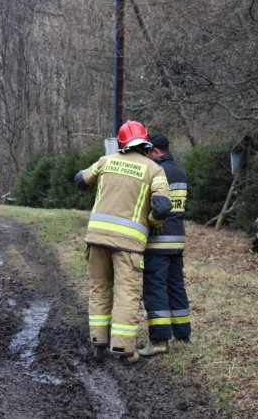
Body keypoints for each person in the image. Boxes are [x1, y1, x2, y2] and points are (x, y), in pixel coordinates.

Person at [75, 120, 172, 366]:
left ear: (121, 143)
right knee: (126, 294)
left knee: (100, 289)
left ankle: (98, 343)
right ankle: (123, 349)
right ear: (145, 142)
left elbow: (79, 180)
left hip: (96, 239)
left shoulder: (105, 161)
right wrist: (149, 220)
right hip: (128, 244)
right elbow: (162, 207)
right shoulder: (154, 169)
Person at [137, 134, 191, 357]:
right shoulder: (180, 171)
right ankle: (183, 333)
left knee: (155, 287)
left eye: (148, 152)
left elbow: (154, 206)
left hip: (158, 240)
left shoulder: (157, 172)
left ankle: (159, 340)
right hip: (177, 239)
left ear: (156, 152)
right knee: (175, 285)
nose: (147, 157)